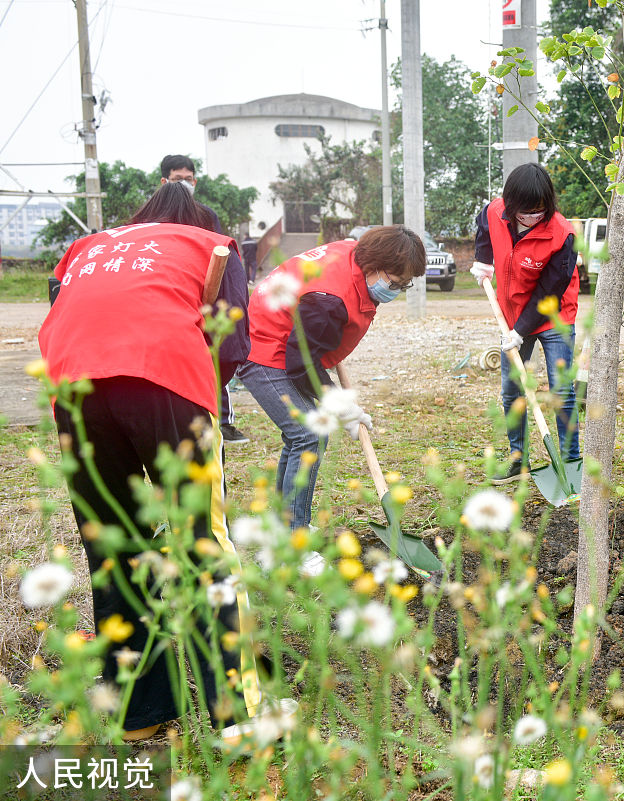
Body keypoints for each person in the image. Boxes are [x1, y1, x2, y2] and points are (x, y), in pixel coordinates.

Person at [38, 187, 265, 741]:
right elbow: (233, 344)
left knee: (113, 542)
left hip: (73, 385)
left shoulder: (86, 247)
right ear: (199, 219)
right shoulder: (213, 244)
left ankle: (139, 714)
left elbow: (62, 306)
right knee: (201, 538)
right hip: (163, 377)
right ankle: (236, 717)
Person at [240, 227, 425, 530]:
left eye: (406, 286)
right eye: (395, 283)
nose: (397, 291)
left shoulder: (358, 255)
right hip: (263, 346)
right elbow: (301, 365)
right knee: (308, 434)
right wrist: (341, 405)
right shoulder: (329, 300)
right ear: (373, 265)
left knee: (302, 436)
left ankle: (285, 523)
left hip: (286, 340)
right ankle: (293, 536)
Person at [471, 163, 581, 484]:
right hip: (510, 313)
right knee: (511, 390)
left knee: (561, 388)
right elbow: (483, 227)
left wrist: (521, 332)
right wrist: (482, 259)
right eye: (525, 211)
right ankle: (519, 460)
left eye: (539, 211)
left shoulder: (562, 234)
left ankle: (571, 464)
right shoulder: (495, 211)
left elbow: (550, 292)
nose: (532, 216)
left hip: (554, 314)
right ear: (510, 203)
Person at [160, 154, 252, 445]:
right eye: (178, 180)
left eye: (188, 180)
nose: (184, 185)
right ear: (164, 182)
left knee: (213, 353)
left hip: (204, 290)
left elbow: (218, 252)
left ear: (195, 182)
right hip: (171, 291)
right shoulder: (156, 214)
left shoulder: (205, 215)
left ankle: (223, 422)